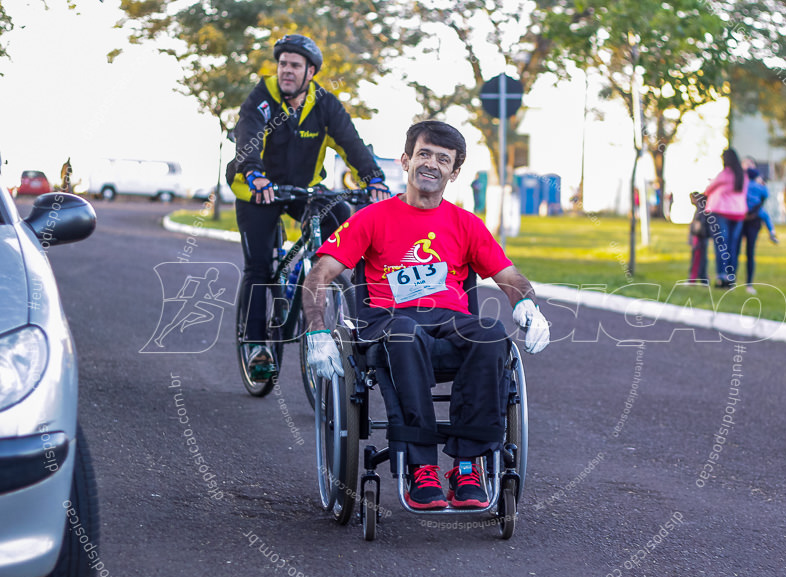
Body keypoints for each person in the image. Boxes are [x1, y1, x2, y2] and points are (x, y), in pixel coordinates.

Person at [302, 120, 551, 510]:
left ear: (454, 171)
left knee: (491, 334)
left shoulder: (465, 224)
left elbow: (510, 275)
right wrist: (316, 331)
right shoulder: (372, 217)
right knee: (404, 333)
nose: (431, 164)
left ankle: (468, 465)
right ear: (405, 160)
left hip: (450, 321)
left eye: (443, 159)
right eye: (424, 154)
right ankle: (421, 466)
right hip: (389, 322)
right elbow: (321, 274)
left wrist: (526, 305)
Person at [228, 34, 390, 380]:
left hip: (302, 189)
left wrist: (373, 178)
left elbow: (352, 143)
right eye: (283, 63)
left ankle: (338, 296)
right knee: (259, 267)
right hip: (256, 190)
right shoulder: (261, 99)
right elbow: (248, 138)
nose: (286, 70)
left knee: (341, 218)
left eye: (294, 65)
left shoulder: (325, 105)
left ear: (310, 71)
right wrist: (255, 175)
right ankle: (257, 344)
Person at [703, 148, 748, 288]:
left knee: (722, 245)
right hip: (739, 213)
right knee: (733, 247)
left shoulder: (724, 174)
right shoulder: (743, 176)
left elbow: (707, 190)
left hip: (721, 212)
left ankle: (722, 277)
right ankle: (731, 278)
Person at [738, 162, 779, 294]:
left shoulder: (743, 185)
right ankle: (749, 284)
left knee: (734, 251)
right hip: (754, 220)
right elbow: (765, 197)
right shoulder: (760, 188)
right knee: (750, 253)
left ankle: (730, 281)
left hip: (740, 218)